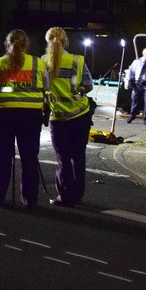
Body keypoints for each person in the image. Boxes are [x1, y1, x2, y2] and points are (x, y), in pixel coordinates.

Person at [0, 29, 45, 209]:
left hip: (2, 114)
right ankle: (30, 201)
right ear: (26, 44)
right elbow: (46, 86)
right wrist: (23, 90)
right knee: (29, 158)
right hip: (30, 115)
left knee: (1, 157)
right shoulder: (37, 63)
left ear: (7, 44)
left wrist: (11, 90)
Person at [43, 27, 93, 208]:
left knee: (63, 158)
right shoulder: (77, 60)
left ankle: (65, 197)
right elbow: (88, 86)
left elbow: (42, 88)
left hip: (58, 117)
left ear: (48, 41)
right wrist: (75, 89)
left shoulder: (43, 62)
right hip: (80, 115)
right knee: (78, 156)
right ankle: (77, 196)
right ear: (66, 41)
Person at [126, 47, 146, 126]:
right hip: (138, 84)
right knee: (135, 101)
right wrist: (127, 82)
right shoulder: (136, 62)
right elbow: (130, 72)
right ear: (143, 54)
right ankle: (132, 115)